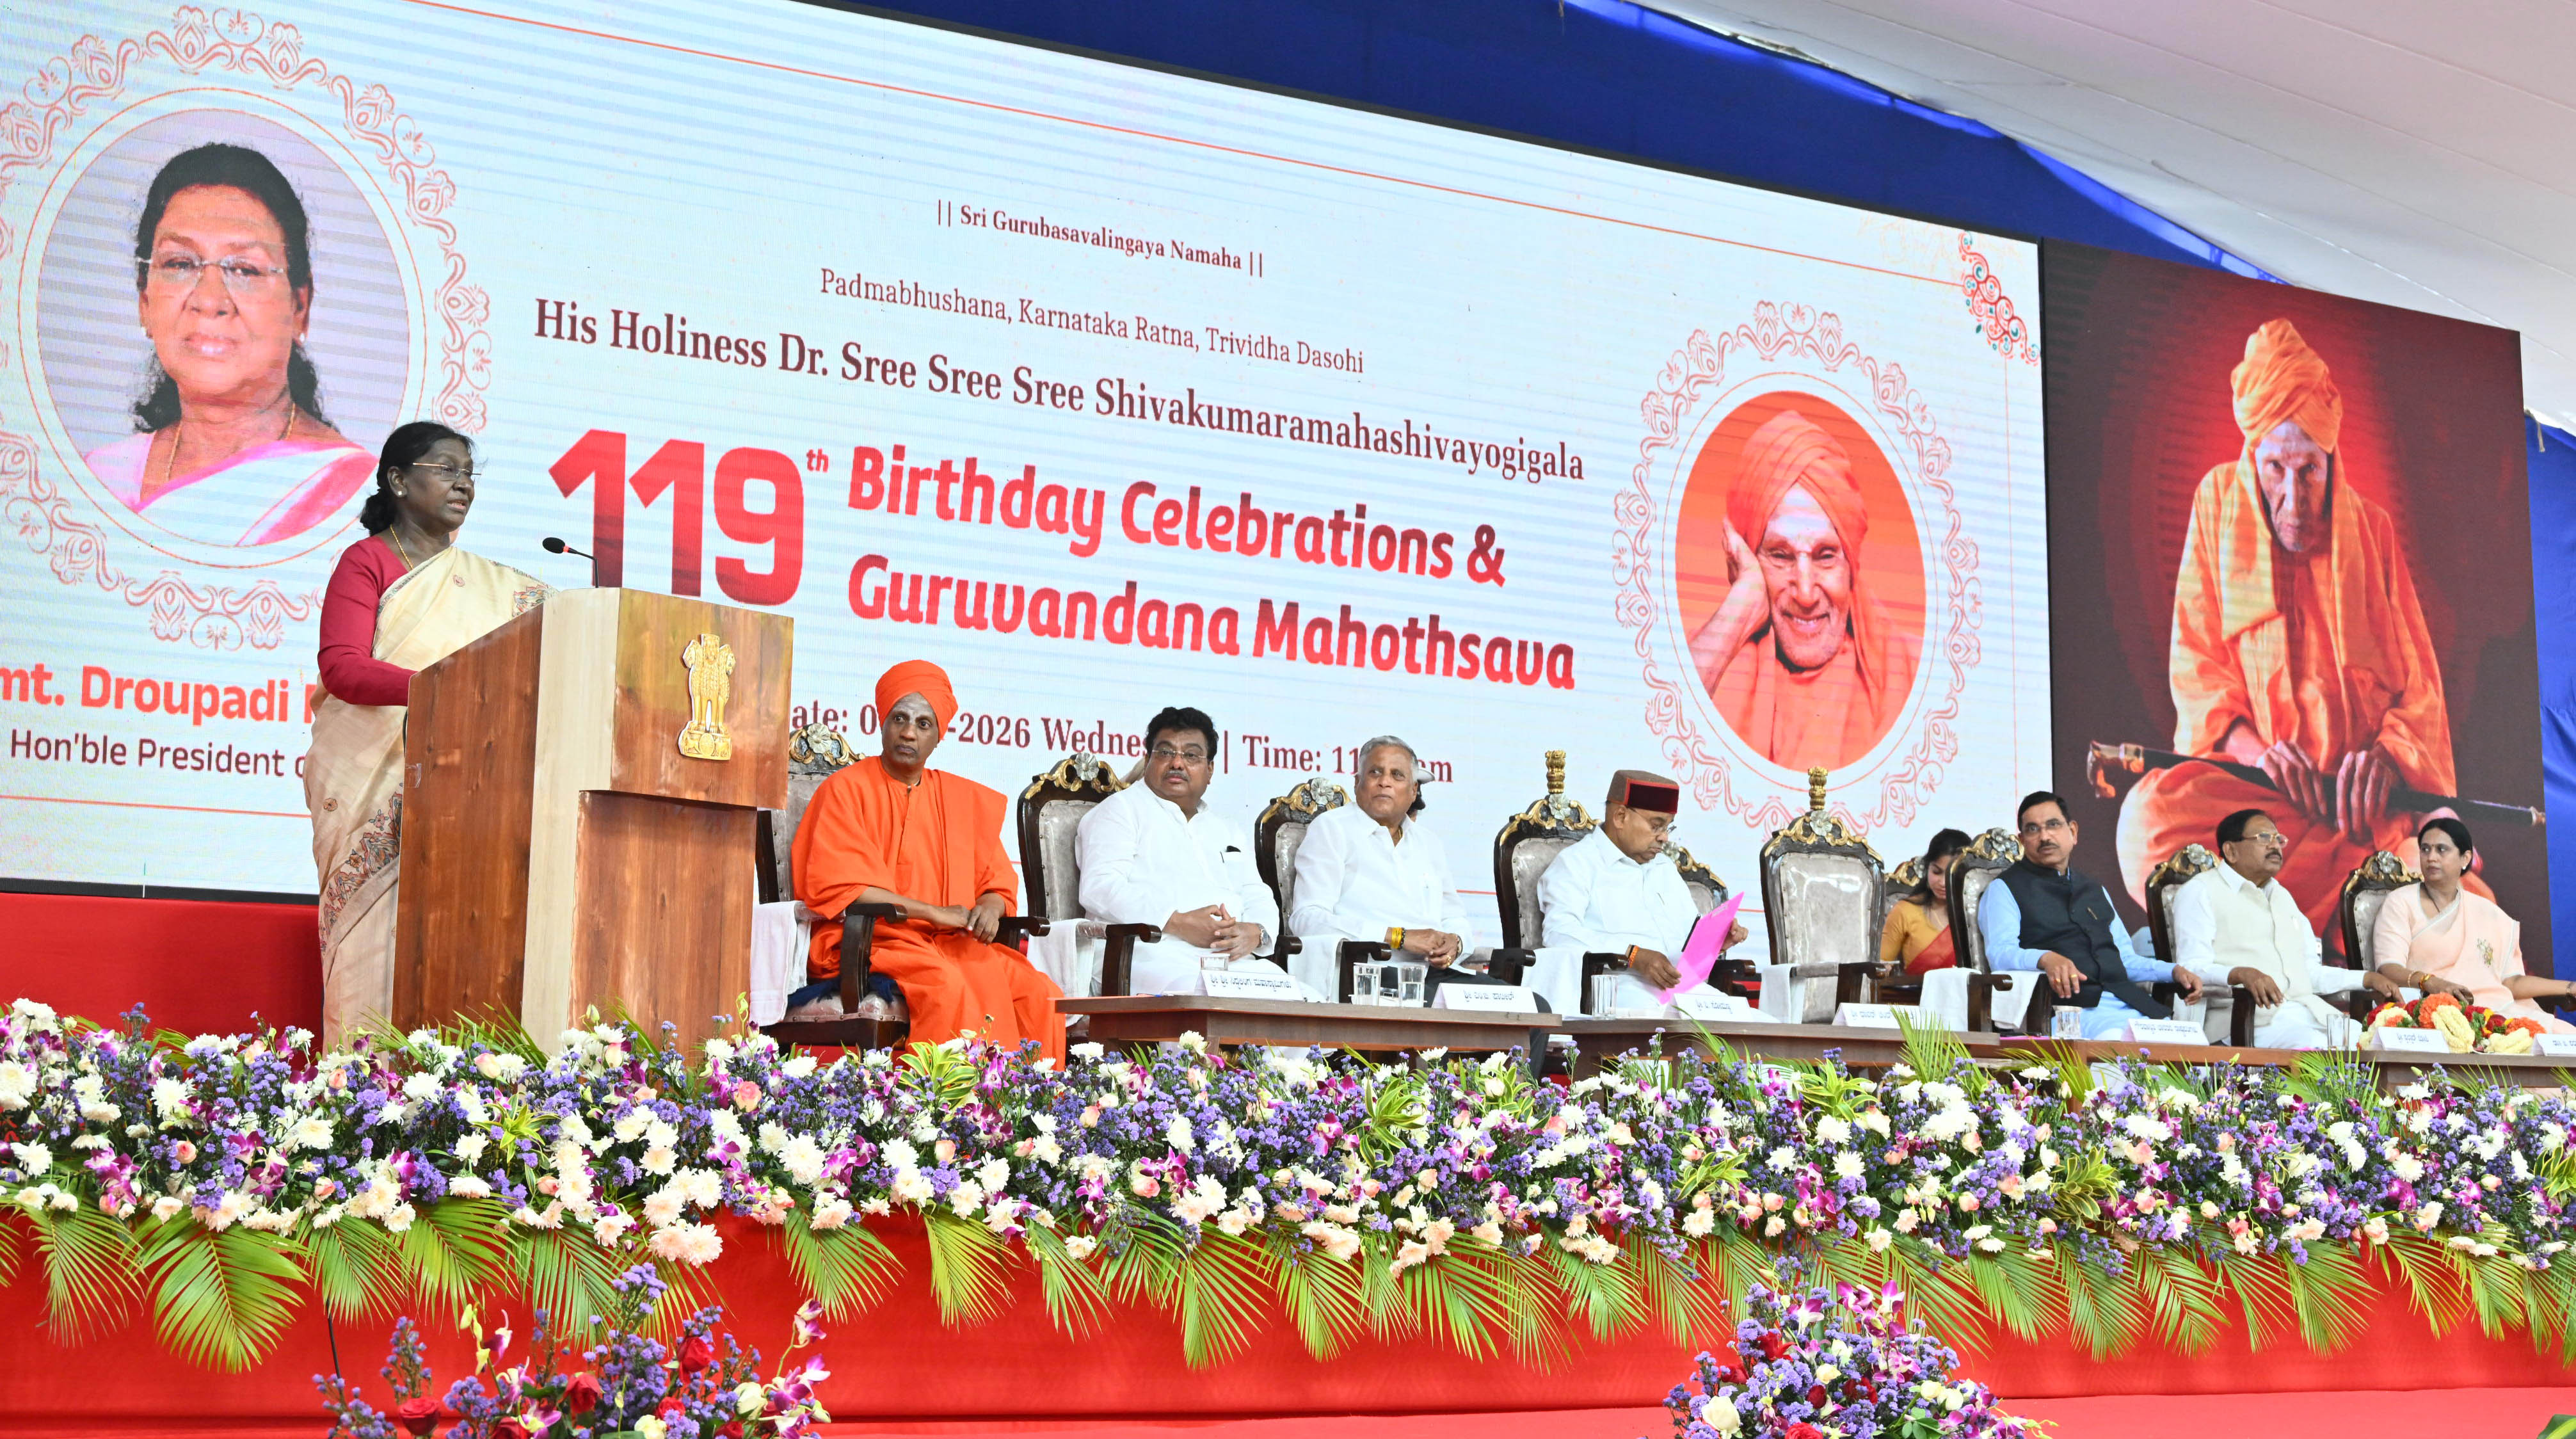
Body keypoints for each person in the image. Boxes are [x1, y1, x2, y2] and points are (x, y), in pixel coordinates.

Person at [2116, 319, 2458, 932]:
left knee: (2418, 865)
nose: (2293, 500)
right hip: (2261, 795)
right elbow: (2197, 672)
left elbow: (2421, 695)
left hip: (2354, 812)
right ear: (2253, 461)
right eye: (2276, 469)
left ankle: (2318, 897)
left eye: (2309, 472)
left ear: (2333, 463)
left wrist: (2381, 761)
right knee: (2147, 819)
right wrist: (2262, 757)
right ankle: (2354, 898)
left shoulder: (2370, 528)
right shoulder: (2216, 501)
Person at [307, 422, 549, 1044]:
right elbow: (342, 667)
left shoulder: (498, 587)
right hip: (375, 780)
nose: (463, 482)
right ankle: (357, 1096)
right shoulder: (367, 562)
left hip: (465, 794)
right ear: (397, 479)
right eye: (445, 468)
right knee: (373, 956)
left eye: (468, 472)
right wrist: (446, 688)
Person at [85, 142, 372, 546]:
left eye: (245, 269)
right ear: (145, 302)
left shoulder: (359, 498)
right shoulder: (95, 484)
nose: (210, 301)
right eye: (181, 264)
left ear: (299, 307)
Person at [792, 661, 1067, 1064]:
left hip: (951, 941)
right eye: (900, 718)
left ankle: (1027, 1113)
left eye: (924, 724)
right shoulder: (845, 790)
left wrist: (991, 906)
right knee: (948, 986)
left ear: (938, 736)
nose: (909, 732)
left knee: (1039, 993)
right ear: (882, 722)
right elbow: (842, 888)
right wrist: (934, 914)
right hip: (874, 939)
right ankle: (942, 1112)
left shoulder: (958, 799)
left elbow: (995, 882)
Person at [1690, 408, 1918, 771]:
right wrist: (1739, 612)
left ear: (1851, 564)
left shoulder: (1911, 675)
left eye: (1826, 556)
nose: (1807, 593)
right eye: (1780, 556)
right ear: (1747, 555)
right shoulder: (1707, 654)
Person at [1075, 705, 1288, 995]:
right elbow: (1100, 887)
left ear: (1210, 769)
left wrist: (1257, 932)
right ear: (1148, 759)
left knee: (1303, 1001)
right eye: (1165, 752)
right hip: (1148, 955)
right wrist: (1176, 922)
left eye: (1191, 755)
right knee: (1204, 997)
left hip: (1230, 962)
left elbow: (1256, 892)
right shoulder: (1120, 811)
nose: (1177, 763)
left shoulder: (1225, 828)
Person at [1981, 791, 2204, 1038]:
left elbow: (2124, 960)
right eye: (2033, 830)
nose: (2044, 836)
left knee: (2190, 1046)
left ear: (2073, 832)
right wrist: (2045, 958)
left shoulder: (2094, 889)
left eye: (2053, 825)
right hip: (2067, 1012)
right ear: (2023, 840)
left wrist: (2173, 971)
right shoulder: (2004, 889)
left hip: (2127, 1004)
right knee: (2120, 1050)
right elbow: (1999, 954)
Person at [2171, 808, 2399, 1049]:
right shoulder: (2201, 891)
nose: (2275, 846)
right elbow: (2191, 969)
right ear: (2231, 851)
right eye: (2263, 838)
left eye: (2278, 839)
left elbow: (2308, 973)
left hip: (2307, 1015)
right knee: (2319, 1050)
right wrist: (2240, 974)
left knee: (2374, 1043)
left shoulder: (2282, 897)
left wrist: (2366, 978)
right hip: (2244, 1021)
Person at [1532, 770, 1747, 1013]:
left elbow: (1687, 941)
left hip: (1683, 992)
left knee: (1759, 1028)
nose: (1664, 837)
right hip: (1618, 991)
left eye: (1668, 827)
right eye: (1656, 826)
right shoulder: (1577, 864)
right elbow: (1559, 934)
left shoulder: (1664, 868)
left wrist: (1716, 942)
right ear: (1621, 817)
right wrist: (1632, 955)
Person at [1287, 736, 1473, 1000]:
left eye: (1397, 775)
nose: (1384, 781)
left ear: (1413, 792)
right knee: (1438, 1004)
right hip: (1370, 971)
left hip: (1433, 973)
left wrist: (1456, 942)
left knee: (1535, 1007)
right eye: (1375, 772)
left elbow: (1455, 918)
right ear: (1357, 783)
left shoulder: (1429, 842)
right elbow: (1307, 919)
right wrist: (1397, 937)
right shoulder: (1332, 828)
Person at [2372, 818, 2575, 1033]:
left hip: (2498, 1011)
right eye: (2425, 849)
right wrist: (2431, 983)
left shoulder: (2488, 912)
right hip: (2438, 1015)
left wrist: (2569, 987)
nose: (2431, 857)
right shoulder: (2401, 902)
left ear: (2465, 858)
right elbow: (2389, 968)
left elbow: (2511, 982)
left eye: (2441, 849)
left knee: (2566, 1037)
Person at [1880, 828, 1971, 974]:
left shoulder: (1975, 913)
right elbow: (1880, 966)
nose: (1942, 882)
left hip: (1968, 996)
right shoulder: (1905, 911)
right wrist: (1882, 969)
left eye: (1950, 875)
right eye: (1936, 872)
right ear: (1927, 868)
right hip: (1917, 996)